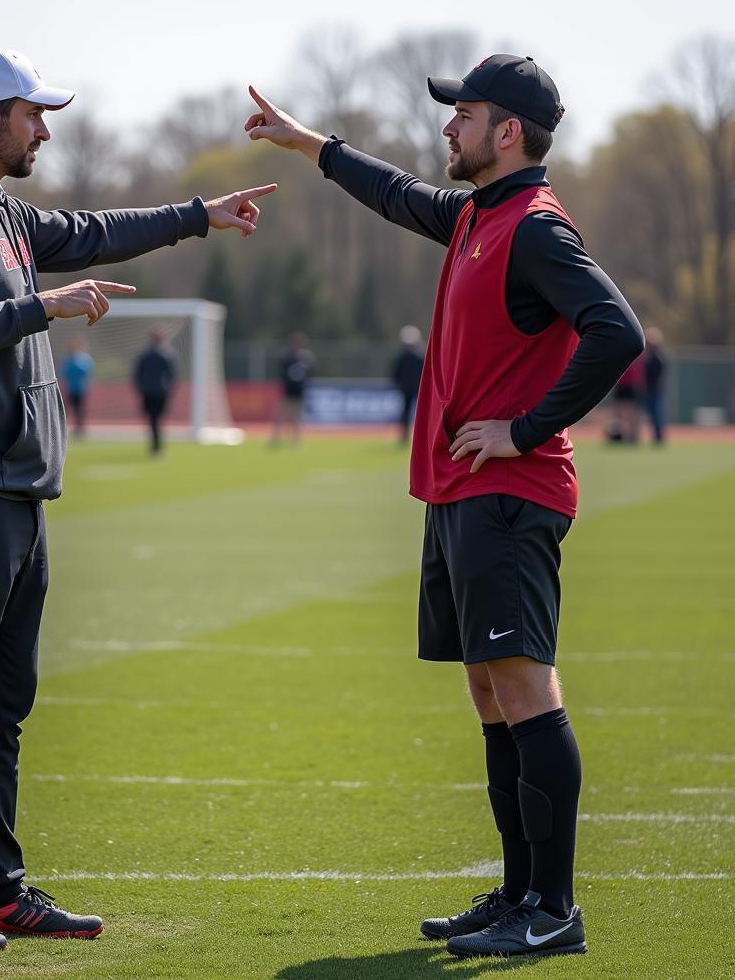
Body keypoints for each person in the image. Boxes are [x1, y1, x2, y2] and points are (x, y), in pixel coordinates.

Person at [0, 44, 276, 956]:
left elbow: (91, 231)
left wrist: (197, 218)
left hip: (14, 491)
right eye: (32, 114)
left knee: (1, 705)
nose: (44, 128)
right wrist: (43, 309)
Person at [246, 55, 643, 959]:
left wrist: (526, 428)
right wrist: (304, 140)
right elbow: (390, 192)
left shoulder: (536, 228)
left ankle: (555, 908)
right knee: (488, 692)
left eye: (463, 116)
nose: (446, 130)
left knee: (524, 686)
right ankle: (516, 895)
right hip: (460, 493)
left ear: (509, 133)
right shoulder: (476, 214)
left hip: (510, 491)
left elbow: (615, 330)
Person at [133, 327, 175, 455]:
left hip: (154, 392)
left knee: (154, 419)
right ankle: (156, 445)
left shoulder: (156, 355)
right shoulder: (163, 355)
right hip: (154, 391)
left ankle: (156, 445)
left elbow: (137, 374)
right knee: (155, 419)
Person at [271, 331, 314, 446]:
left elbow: (310, 374)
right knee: (280, 417)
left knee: (297, 418)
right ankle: (277, 439)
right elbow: (282, 370)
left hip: (299, 393)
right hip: (287, 392)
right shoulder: (288, 357)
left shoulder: (306, 357)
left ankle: (296, 441)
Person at [390, 325, 425, 445]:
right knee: (419, 413)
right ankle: (419, 436)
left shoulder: (403, 357)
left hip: (408, 389)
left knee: (408, 412)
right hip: (416, 389)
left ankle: (406, 436)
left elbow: (396, 374)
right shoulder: (419, 357)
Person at [61, 338, 94, 437]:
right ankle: (62, 428)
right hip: (70, 388)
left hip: (80, 389)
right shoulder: (67, 359)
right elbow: (64, 372)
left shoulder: (84, 358)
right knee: (65, 409)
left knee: (79, 410)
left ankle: (80, 429)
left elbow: (87, 371)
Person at [608, 356, 644, 444]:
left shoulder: (636, 355)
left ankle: (633, 436)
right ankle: (617, 435)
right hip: (620, 384)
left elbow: (638, 375)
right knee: (617, 413)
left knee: (631, 413)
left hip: (631, 386)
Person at [642, 326, 667, 444]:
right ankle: (656, 437)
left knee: (656, 415)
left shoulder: (657, 358)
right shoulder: (649, 357)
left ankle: (659, 437)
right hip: (648, 389)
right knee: (652, 415)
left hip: (654, 389)